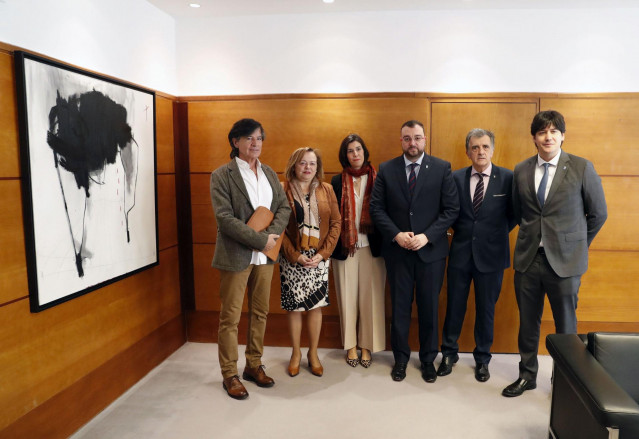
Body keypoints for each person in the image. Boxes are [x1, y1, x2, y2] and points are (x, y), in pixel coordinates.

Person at [503, 110, 607, 397]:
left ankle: (566, 380)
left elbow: (598, 214)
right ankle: (527, 375)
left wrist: (576, 246)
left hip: (565, 263)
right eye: (541, 132)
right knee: (528, 323)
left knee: (566, 326)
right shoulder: (521, 169)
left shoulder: (581, 167)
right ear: (534, 138)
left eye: (553, 131)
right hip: (527, 259)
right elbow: (517, 211)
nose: (547, 137)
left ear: (562, 135)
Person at [370, 120, 459, 383]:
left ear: (425, 139)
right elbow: (377, 209)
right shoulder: (387, 169)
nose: (413, 143)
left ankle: (429, 359)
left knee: (429, 307)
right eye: (407, 138)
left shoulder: (442, 168)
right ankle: (400, 359)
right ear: (401, 141)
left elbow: (451, 210)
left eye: (417, 138)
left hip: (430, 252)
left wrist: (427, 236)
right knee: (399, 308)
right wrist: (396, 234)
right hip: (398, 253)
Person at [210, 118, 291, 400]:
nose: (255, 143)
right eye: (249, 138)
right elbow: (224, 219)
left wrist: (271, 236)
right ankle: (229, 374)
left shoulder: (269, 173)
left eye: (259, 138)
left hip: (265, 257)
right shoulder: (222, 175)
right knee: (230, 317)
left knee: (260, 313)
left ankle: (253, 365)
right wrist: (260, 239)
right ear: (235, 142)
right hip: (236, 255)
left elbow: (283, 207)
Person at [438, 129, 515, 382]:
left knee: (486, 310)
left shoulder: (508, 178)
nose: (480, 152)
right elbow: (448, 211)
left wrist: (493, 234)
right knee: (454, 307)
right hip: (460, 254)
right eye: (475, 147)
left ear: (492, 150)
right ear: (467, 151)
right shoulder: (455, 177)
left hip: (492, 256)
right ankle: (449, 353)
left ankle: (483, 359)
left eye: (484, 147)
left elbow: (514, 214)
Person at [280, 147, 341, 378]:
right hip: (292, 258)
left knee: (315, 307)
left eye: (312, 164)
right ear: (294, 165)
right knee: (294, 308)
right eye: (303, 163)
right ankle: (295, 353)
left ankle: (313, 354)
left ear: (318, 167)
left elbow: (336, 223)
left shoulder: (327, 189)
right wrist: (294, 255)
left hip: (318, 260)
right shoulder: (282, 189)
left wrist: (323, 254)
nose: (307, 168)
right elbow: (277, 227)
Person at [331, 134, 386, 368]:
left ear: (365, 152)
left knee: (371, 298)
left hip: (373, 247)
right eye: (350, 151)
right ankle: (351, 346)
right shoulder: (335, 181)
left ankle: (367, 345)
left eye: (358, 149)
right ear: (345, 155)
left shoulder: (379, 178)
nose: (355, 154)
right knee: (347, 297)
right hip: (345, 247)